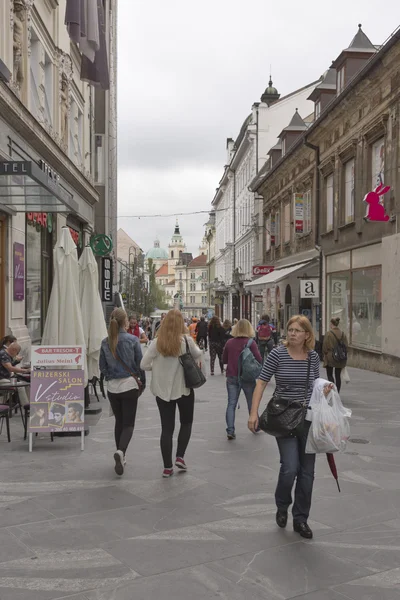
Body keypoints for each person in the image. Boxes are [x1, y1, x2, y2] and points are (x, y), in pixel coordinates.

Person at [248, 315, 332, 540]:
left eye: (298, 330)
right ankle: (282, 504)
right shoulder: (277, 353)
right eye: (290, 329)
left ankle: (301, 518)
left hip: (307, 419)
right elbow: (261, 382)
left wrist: (324, 390)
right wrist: (253, 412)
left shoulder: (313, 357)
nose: (293, 333)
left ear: (307, 335)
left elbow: (315, 384)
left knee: (307, 473)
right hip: (283, 416)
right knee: (290, 468)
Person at [141, 310, 202, 477]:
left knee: (166, 429)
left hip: (162, 391)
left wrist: (158, 368)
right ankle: (180, 456)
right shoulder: (186, 341)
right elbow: (198, 354)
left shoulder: (156, 342)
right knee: (186, 423)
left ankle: (167, 467)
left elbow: (143, 365)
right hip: (183, 389)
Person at [100, 308, 145, 476]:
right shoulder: (133, 340)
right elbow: (140, 365)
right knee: (128, 424)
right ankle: (121, 451)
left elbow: (102, 367)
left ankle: (121, 454)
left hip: (113, 388)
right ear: (125, 321)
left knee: (119, 422)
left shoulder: (105, 342)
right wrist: (143, 384)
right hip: (129, 386)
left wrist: (111, 376)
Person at [222, 319, 262, 440]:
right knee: (251, 403)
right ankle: (255, 426)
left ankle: (230, 430)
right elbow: (259, 359)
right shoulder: (251, 343)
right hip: (247, 377)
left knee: (231, 403)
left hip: (232, 376)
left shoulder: (229, 342)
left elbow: (224, 359)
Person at [322, 317, 349, 393]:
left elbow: (325, 346)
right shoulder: (342, 333)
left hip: (330, 356)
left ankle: (332, 391)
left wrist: (324, 354)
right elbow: (346, 345)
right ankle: (337, 392)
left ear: (331, 324)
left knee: (330, 374)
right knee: (338, 376)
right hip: (340, 357)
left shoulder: (329, 334)